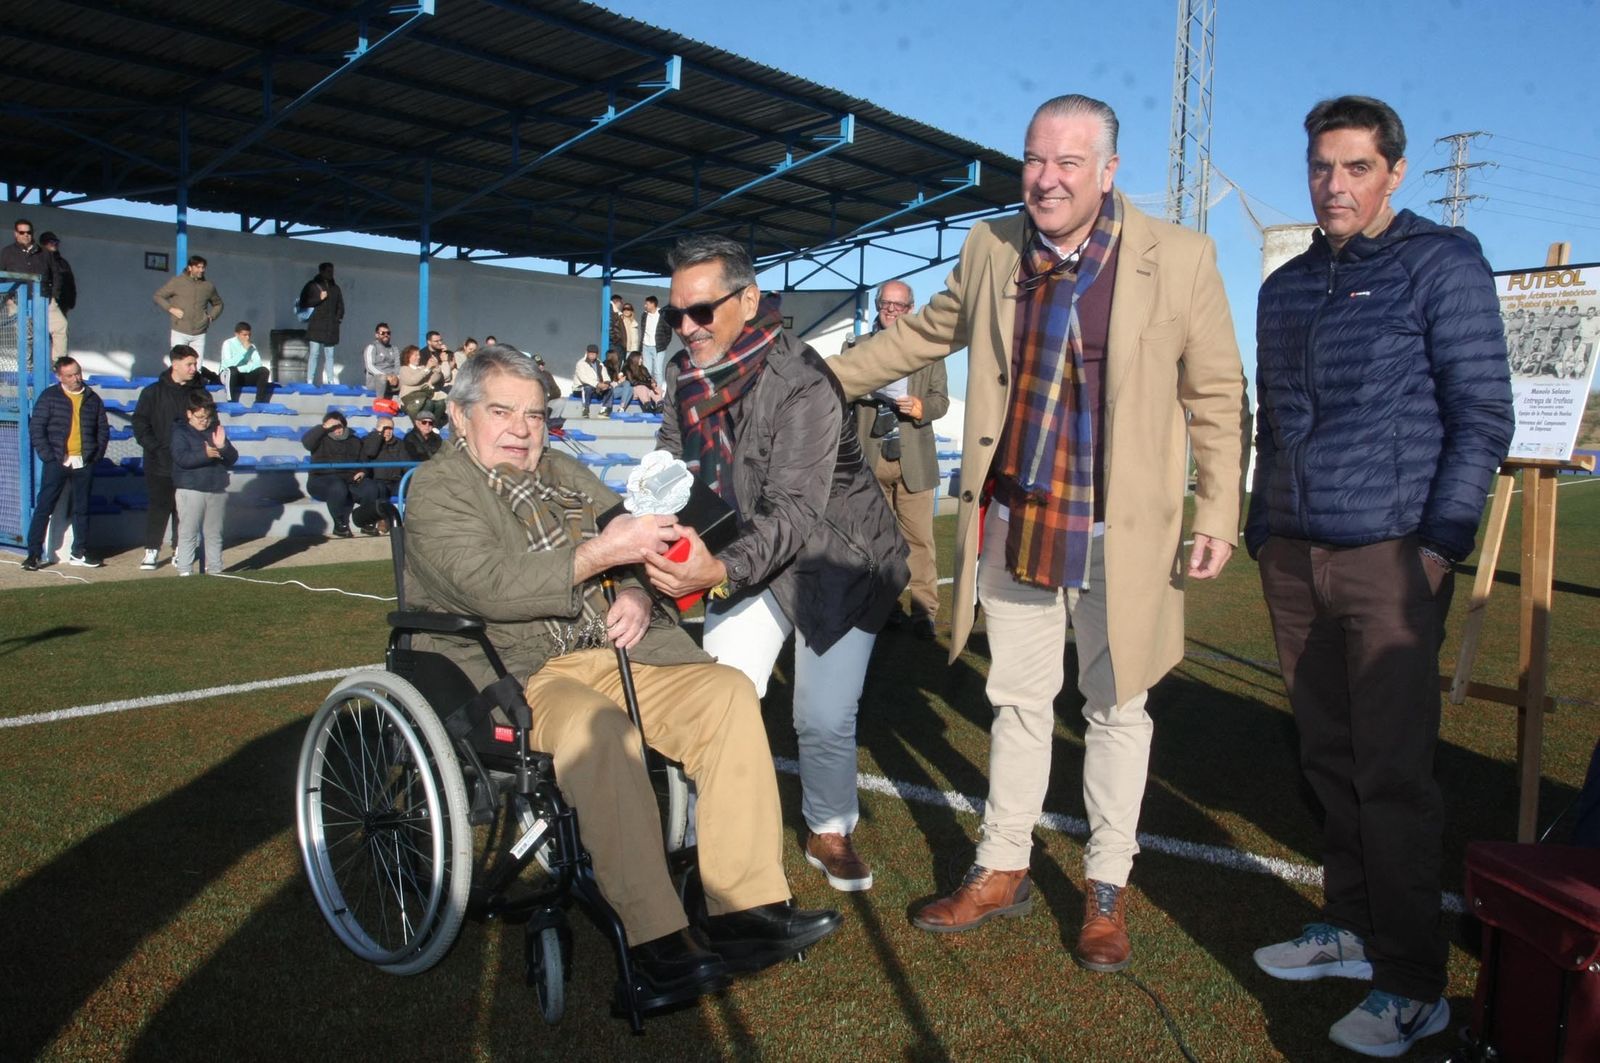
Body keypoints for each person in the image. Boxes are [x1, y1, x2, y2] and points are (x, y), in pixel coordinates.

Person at [829, 94, 1249, 964]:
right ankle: (1002, 867)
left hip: (1120, 533)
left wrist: (1216, 507)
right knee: (1017, 704)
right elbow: (921, 337)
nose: (1047, 179)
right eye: (1034, 160)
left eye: (1067, 163)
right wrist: (811, 374)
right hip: (1016, 518)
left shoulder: (1182, 256)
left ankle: (1104, 889)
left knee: (1117, 709)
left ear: (1108, 171)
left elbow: (1215, 395)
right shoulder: (992, 249)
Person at [404, 344, 840, 1008]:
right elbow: (491, 586)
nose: (523, 428)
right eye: (502, 411)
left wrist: (637, 589)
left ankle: (743, 909)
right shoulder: (439, 490)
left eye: (535, 413)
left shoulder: (567, 471)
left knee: (726, 692)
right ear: (461, 418)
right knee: (598, 729)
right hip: (522, 671)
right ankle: (655, 938)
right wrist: (601, 555)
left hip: (623, 653)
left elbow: (631, 538)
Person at [1248, 96, 1514, 1059]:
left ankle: (1413, 985)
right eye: (1323, 166)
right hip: (1294, 556)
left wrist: (1438, 542)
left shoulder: (1440, 262)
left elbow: (1483, 410)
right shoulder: (1285, 286)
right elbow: (1271, 417)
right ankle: (1349, 929)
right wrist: (1261, 520)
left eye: (1357, 167)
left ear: (1394, 172)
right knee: (1327, 759)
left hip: (1392, 555)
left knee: (1392, 775)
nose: (1335, 185)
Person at [644, 235, 909, 894]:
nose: (686, 328)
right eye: (675, 315)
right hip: (749, 551)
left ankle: (829, 826)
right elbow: (672, 463)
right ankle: (707, 833)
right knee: (720, 695)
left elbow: (793, 512)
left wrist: (716, 571)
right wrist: (646, 514)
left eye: (701, 311)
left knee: (821, 715)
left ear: (750, 299)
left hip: (839, 559)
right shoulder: (684, 374)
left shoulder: (803, 381)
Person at [845, 280, 949, 640]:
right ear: (877, 304)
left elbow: (941, 400)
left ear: (911, 308)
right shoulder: (856, 347)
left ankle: (924, 613)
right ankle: (883, 610)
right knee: (876, 543)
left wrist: (921, 408)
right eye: (886, 304)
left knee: (919, 541)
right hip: (870, 459)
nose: (891, 310)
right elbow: (841, 394)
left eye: (899, 305)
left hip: (914, 461)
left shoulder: (930, 349)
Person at [22, 356, 107, 570]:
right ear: (60, 377)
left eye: (77, 373)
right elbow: (37, 428)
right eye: (70, 375)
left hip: (84, 462)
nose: (76, 378)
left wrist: (95, 456)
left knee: (82, 507)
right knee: (44, 506)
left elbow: (102, 430)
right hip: (57, 462)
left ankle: (79, 552)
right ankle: (33, 554)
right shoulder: (50, 397)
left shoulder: (92, 398)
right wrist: (49, 456)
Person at [132, 345, 207, 570]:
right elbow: (140, 423)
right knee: (159, 506)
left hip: (189, 464)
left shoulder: (200, 393)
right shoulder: (152, 392)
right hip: (159, 462)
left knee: (184, 510)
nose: (194, 369)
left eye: (195, 364)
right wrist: (155, 447)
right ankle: (151, 551)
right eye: (189, 364)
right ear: (175, 365)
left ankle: (180, 550)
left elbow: (209, 421)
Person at [170, 390, 238, 577]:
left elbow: (232, 457)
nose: (204, 421)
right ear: (189, 414)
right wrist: (205, 455)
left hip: (216, 488)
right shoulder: (180, 432)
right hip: (190, 489)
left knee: (214, 534)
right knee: (188, 533)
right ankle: (185, 571)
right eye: (200, 417)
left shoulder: (215, 429)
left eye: (207, 417)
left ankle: (216, 570)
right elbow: (181, 458)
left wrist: (223, 447)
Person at [302, 411, 371, 538]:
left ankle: (366, 520)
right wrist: (323, 428)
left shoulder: (355, 441)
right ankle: (340, 524)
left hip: (349, 480)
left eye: (339, 426)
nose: (337, 430)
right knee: (338, 486)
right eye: (333, 427)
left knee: (371, 487)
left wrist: (363, 471)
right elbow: (306, 443)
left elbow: (364, 461)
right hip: (321, 480)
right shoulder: (319, 440)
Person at [2, 218, 64, 359]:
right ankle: (28, 370)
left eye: (28, 232)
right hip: (18, 301)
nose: (25, 235)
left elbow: (56, 274)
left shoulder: (45, 253)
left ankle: (60, 366)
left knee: (61, 327)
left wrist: (54, 295)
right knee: (26, 337)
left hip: (44, 299)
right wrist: (7, 299)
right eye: (22, 232)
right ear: (15, 234)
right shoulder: (6, 253)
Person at [153, 256, 224, 372]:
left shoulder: (208, 286)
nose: (201, 270)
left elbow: (218, 304)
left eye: (203, 267)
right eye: (198, 267)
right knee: (179, 365)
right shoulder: (177, 281)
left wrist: (211, 317)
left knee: (197, 367)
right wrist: (170, 308)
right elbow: (158, 296)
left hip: (199, 333)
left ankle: (194, 389)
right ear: (190, 267)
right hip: (180, 330)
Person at [357, 416, 407, 534]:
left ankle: (409, 520)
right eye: (385, 428)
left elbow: (406, 463)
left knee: (413, 486)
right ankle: (383, 520)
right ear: (378, 429)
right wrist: (378, 436)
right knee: (379, 488)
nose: (388, 431)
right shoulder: (368, 441)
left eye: (391, 428)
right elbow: (370, 452)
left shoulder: (399, 444)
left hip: (396, 481)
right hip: (378, 480)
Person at [299, 262, 345, 386]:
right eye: (329, 271)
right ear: (321, 271)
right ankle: (310, 381)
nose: (331, 274)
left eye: (332, 271)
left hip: (331, 326)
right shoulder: (312, 285)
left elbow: (340, 306)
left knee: (330, 354)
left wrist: (337, 319)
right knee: (314, 353)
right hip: (316, 325)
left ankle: (330, 380)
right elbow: (303, 302)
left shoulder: (336, 288)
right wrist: (319, 298)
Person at [38, 231, 75, 360]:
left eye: (56, 242)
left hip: (62, 303)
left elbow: (70, 282)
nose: (54, 244)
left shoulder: (62, 263)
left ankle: (58, 365)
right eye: (50, 242)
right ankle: (39, 368)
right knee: (41, 336)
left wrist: (71, 301)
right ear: (43, 244)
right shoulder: (38, 260)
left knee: (61, 333)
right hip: (44, 302)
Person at [219, 321, 273, 405]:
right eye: (244, 335)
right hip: (228, 375)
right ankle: (231, 401)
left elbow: (258, 364)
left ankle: (259, 401)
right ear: (236, 334)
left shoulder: (251, 346)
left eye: (249, 335)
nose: (247, 338)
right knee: (232, 371)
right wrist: (244, 350)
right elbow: (229, 364)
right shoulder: (228, 343)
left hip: (243, 374)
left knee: (264, 370)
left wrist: (241, 369)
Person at [397, 344, 448, 424]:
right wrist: (427, 368)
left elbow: (434, 379)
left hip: (424, 397)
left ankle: (433, 426)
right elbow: (413, 380)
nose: (418, 357)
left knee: (441, 404)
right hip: (410, 400)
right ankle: (421, 426)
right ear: (408, 356)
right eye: (415, 355)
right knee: (429, 403)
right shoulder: (404, 369)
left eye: (419, 355)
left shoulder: (422, 368)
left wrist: (437, 368)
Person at [573, 342, 614, 418]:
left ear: (597, 354)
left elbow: (605, 375)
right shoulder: (581, 363)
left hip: (596, 387)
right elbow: (583, 378)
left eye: (594, 354)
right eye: (590, 353)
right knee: (587, 388)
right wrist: (597, 384)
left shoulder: (599, 363)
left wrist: (606, 383)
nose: (592, 355)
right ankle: (585, 408)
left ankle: (604, 409)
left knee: (610, 388)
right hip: (581, 388)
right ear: (587, 353)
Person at [362, 322, 400, 397]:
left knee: (407, 377)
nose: (386, 335)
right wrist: (386, 376)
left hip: (392, 379)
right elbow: (369, 367)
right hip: (376, 380)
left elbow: (398, 365)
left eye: (388, 333)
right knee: (382, 378)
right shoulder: (372, 347)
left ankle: (408, 405)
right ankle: (380, 403)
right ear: (376, 335)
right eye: (382, 333)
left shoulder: (394, 348)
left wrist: (396, 377)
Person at [642, 294, 671, 384]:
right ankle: (648, 390)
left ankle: (659, 393)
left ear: (652, 304)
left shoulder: (662, 315)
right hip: (646, 346)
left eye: (646, 304)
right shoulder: (644, 315)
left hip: (658, 347)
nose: (645, 305)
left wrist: (663, 344)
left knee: (657, 371)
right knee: (646, 370)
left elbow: (668, 332)